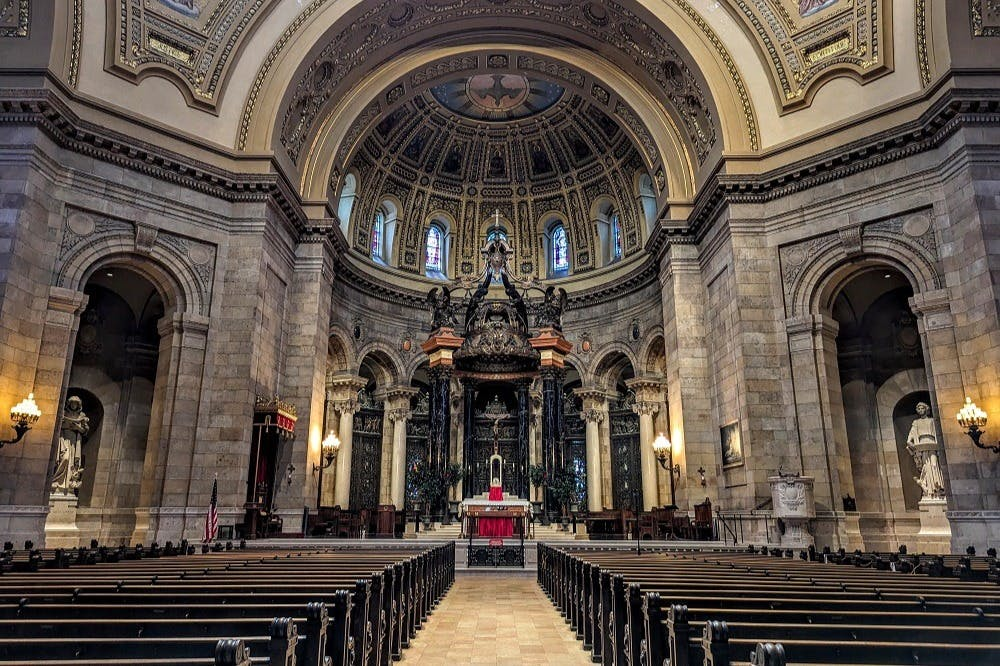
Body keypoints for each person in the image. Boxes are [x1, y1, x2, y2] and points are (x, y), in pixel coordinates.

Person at [905, 402, 946, 499]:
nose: (920, 410)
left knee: (934, 465)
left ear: (926, 409)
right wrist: (914, 448)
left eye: (922, 408)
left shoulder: (932, 420)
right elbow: (909, 439)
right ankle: (929, 491)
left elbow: (937, 434)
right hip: (921, 446)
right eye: (918, 408)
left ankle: (938, 487)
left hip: (932, 444)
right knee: (926, 467)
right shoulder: (916, 422)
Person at [51, 395, 90, 495]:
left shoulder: (81, 416)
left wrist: (78, 428)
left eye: (76, 403)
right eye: (72, 403)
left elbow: (85, 430)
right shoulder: (64, 413)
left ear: (78, 405)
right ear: (69, 404)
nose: (73, 405)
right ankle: (56, 480)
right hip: (63, 438)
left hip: (74, 441)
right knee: (65, 458)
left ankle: (68, 484)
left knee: (72, 463)